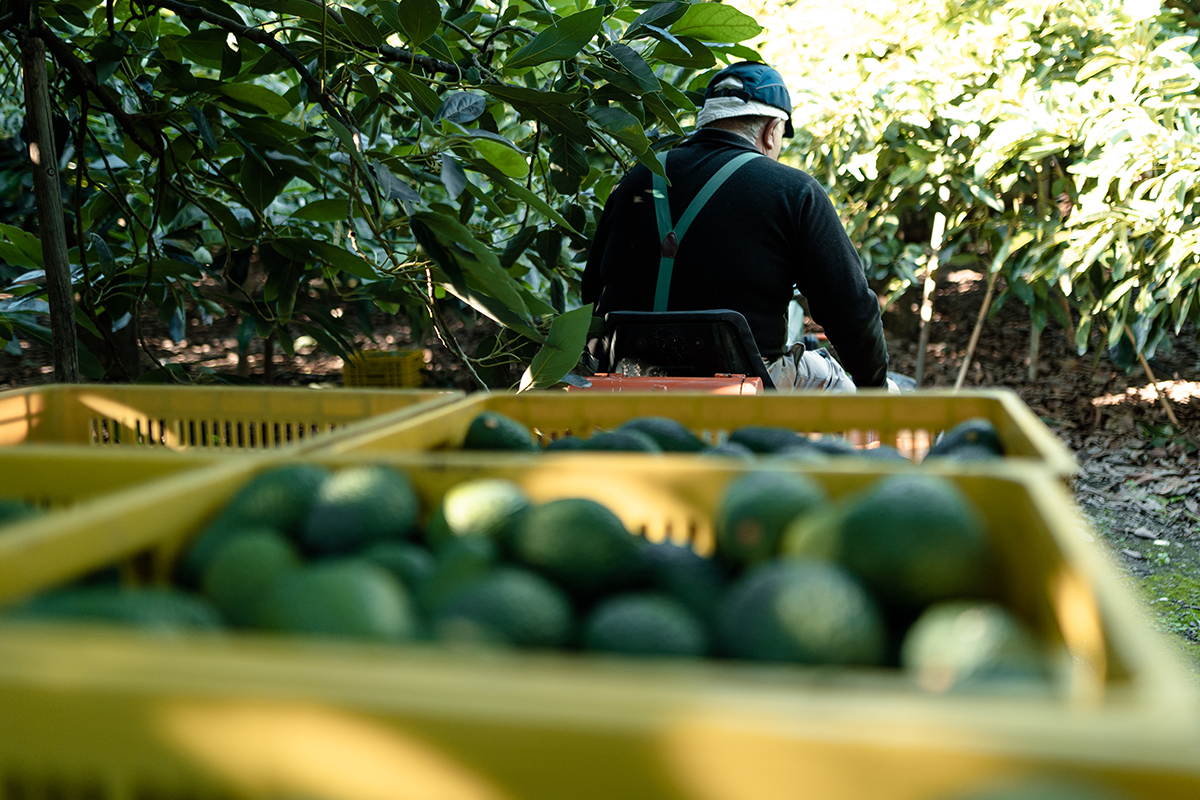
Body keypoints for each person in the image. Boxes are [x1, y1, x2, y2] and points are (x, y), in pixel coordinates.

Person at [581, 61, 890, 392]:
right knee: (834, 380)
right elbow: (851, 311)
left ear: (707, 120)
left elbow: (592, 292)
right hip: (744, 388)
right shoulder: (793, 191)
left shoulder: (636, 182)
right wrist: (875, 385)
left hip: (625, 381)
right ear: (771, 130)